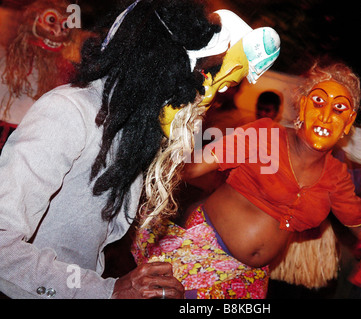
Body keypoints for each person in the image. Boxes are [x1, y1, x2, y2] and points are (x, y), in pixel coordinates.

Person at [0, 0, 274, 299]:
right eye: (203, 76)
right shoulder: (69, 112)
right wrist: (107, 291)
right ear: (165, 64)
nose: (204, 96)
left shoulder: (137, 132)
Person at [133, 60, 361, 299]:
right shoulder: (264, 135)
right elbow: (194, 167)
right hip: (200, 254)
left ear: (347, 126)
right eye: (318, 101)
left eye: (339, 108)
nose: (326, 114)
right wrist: (167, 131)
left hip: (248, 281)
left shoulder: (337, 177)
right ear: (301, 108)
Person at [0, 0, 76, 154]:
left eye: (65, 26)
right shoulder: (5, 56)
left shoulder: (65, 72)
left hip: (25, 140)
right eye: (51, 20)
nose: (58, 32)